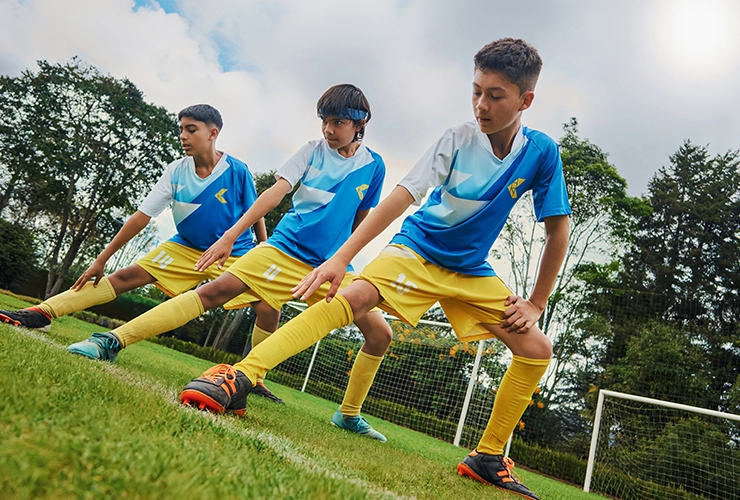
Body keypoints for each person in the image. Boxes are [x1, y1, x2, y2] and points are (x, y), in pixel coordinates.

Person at [179, 39, 570, 499]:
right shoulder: (457, 138)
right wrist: (341, 259)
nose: (481, 104)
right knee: (355, 297)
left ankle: (487, 456)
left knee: (536, 348)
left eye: (496, 95)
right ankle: (240, 376)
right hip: (417, 249)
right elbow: (403, 196)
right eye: (476, 90)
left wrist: (537, 302)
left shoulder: (541, 152)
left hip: (470, 270)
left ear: (525, 100)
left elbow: (557, 230)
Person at [86, 84, 393, 440]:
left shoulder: (374, 166)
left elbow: (364, 217)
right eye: (324, 121)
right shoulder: (311, 152)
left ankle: (348, 415)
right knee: (215, 291)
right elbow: (275, 193)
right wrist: (231, 236)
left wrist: (347, 259)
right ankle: (112, 341)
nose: (327, 130)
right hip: (284, 249)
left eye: (337, 122)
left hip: (330, 264)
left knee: (380, 333)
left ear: (361, 122)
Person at [0, 104, 283, 402]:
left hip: (234, 251)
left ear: (213, 133)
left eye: (191, 129)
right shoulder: (176, 171)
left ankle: (254, 377)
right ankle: (41, 313)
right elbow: (142, 216)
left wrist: (262, 248)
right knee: (126, 275)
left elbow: (257, 212)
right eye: (181, 129)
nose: (183, 136)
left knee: (268, 305)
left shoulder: (237, 170)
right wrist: (102, 259)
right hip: (185, 247)